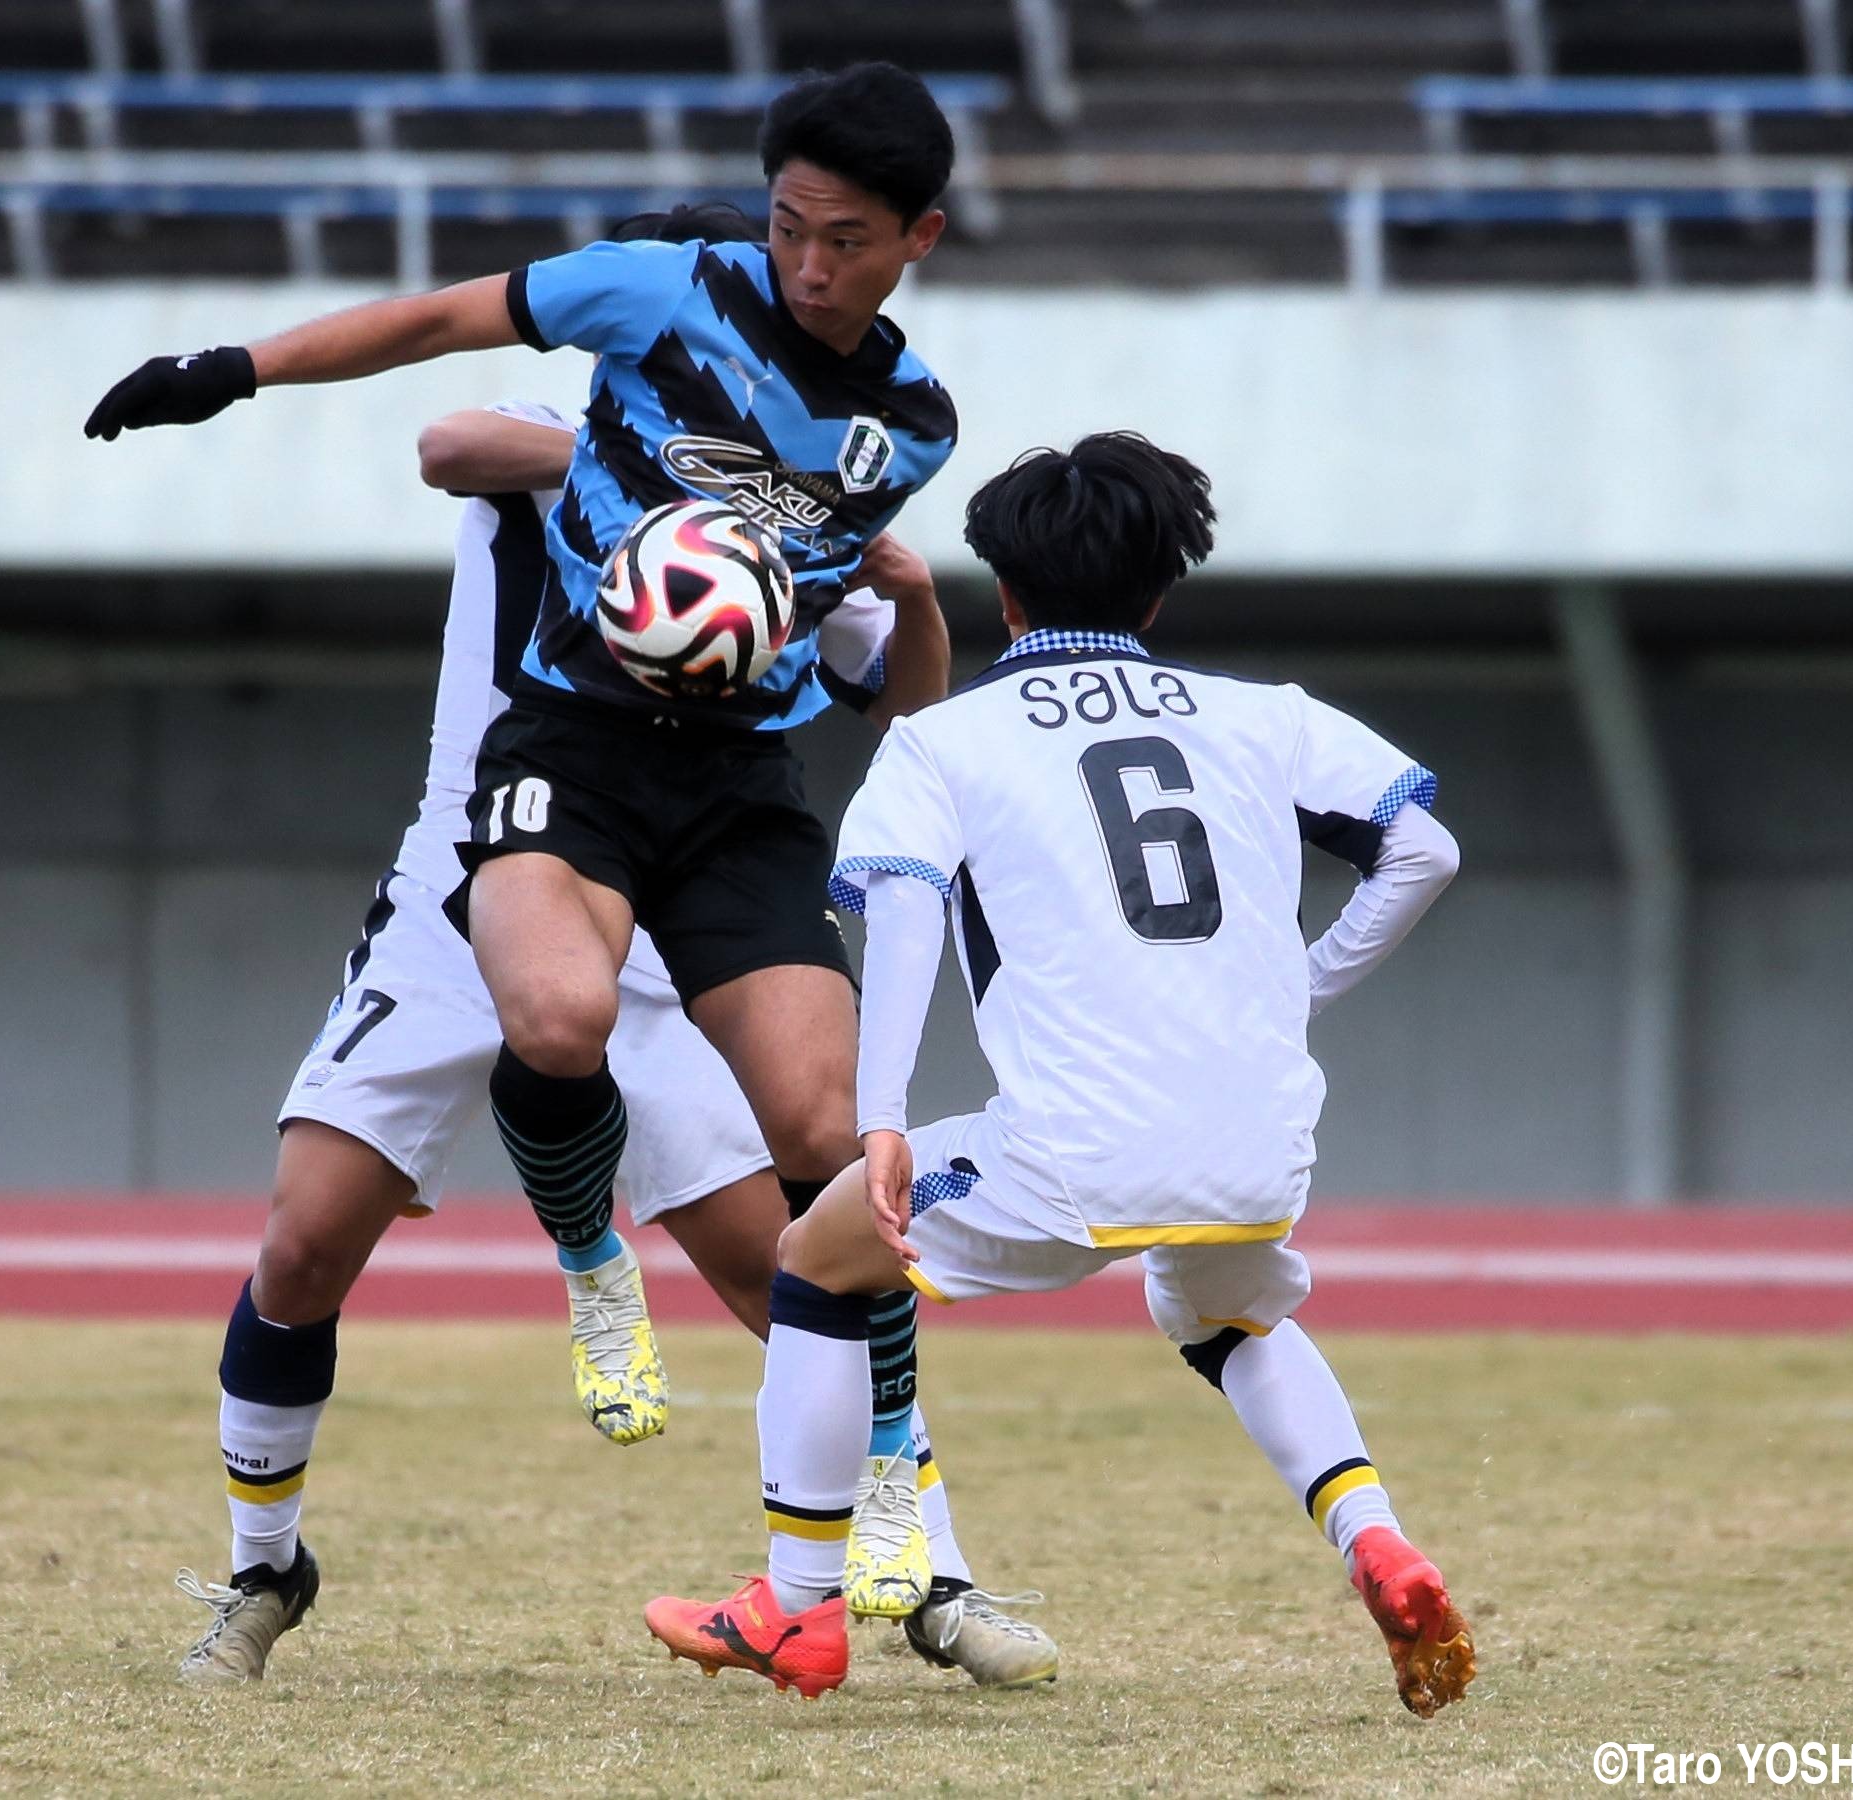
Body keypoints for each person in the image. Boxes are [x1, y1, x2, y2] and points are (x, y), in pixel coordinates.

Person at [89, 65, 968, 1624]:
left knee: (826, 1174)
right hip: (526, 817)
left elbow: (882, 695)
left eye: (837, 241)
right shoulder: (601, 370)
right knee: (315, 1230)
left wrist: (884, 588)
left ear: (914, 240)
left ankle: (920, 1544)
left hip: (727, 811)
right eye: (779, 235)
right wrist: (233, 368)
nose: (802, 268)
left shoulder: (893, 438)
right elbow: (447, 420)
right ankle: (274, 1554)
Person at [644, 431, 1478, 1718]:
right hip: (1258, 1137)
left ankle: (796, 1611)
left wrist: (879, 1129)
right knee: (1226, 1315)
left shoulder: (946, 744)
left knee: (814, 1264)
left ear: (1007, 594)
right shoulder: (1269, 717)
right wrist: (1298, 988)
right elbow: (1423, 849)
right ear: (1156, 595)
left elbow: (904, 912)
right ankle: (1375, 1538)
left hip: (1067, 1147)